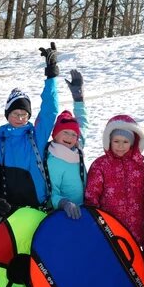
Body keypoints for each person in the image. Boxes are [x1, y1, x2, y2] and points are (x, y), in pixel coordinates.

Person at [0, 43, 60, 216]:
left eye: (24, 114)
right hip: (10, 211)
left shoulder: (36, 137)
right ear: (7, 115)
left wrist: (51, 75)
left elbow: (50, 110)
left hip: (40, 207)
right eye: (15, 113)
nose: (20, 118)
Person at [84, 115, 144, 257]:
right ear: (109, 141)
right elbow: (92, 198)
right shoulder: (100, 165)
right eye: (116, 141)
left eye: (125, 141)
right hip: (108, 232)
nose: (120, 145)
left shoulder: (141, 168)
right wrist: (95, 227)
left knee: (132, 272)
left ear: (133, 143)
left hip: (135, 233)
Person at [46, 70, 88, 219]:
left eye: (73, 134)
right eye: (65, 133)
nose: (70, 137)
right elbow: (52, 192)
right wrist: (64, 203)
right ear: (55, 135)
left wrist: (78, 98)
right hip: (65, 214)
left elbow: (82, 122)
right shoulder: (53, 159)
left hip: (85, 209)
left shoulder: (77, 148)